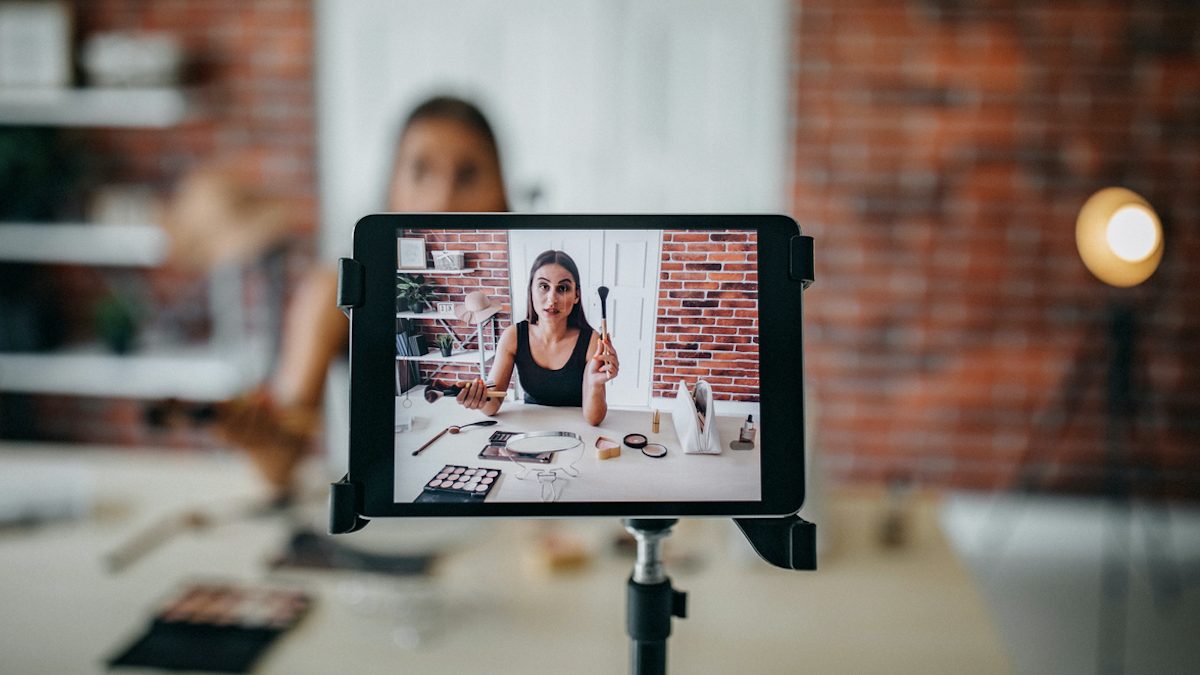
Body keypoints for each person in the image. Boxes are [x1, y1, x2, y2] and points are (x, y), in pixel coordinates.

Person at [207, 95, 510, 495]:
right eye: (420, 171)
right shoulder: (334, 293)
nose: (442, 199)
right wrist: (258, 437)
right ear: (390, 185)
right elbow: (280, 463)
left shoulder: (525, 290)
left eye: (468, 174)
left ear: (502, 191)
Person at [451, 249, 619, 426]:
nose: (552, 299)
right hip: (529, 429)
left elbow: (594, 419)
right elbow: (492, 405)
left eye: (562, 288)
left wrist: (596, 384)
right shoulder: (513, 336)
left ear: (576, 295)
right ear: (531, 290)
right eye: (543, 286)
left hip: (577, 432)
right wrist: (478, 399)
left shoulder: (592, 341)